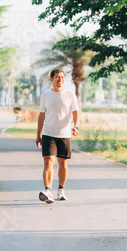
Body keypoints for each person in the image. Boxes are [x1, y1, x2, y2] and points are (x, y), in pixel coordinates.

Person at [36, 69, 80, 204]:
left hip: (64, 134)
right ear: (52, 79)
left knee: (63, 163)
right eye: (57, 77)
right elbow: (41, 115)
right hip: (48, 133)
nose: (60, 79)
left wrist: (76, 126)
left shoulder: (70, 95)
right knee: (48, 161)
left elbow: (76, 112)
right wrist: (38, 135)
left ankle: (61, 190)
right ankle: (48, 191)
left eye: (62, 77)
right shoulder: (45, 95)